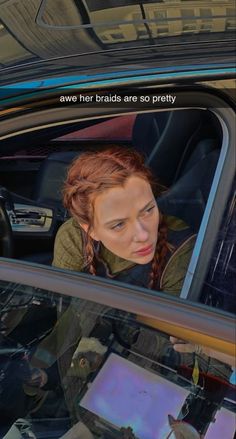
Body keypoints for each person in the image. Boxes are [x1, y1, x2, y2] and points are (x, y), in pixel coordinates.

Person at [52, 145, 195, 293]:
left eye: (148, 210)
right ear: (90, 230)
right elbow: (62, 301)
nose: (143, 235)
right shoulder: (73, 237)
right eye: (119, 224)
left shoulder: (181, 252)